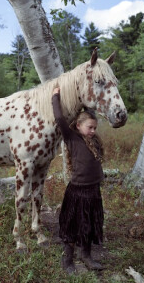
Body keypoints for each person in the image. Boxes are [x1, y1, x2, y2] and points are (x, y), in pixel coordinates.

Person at [52, 86, 104, 275]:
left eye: (94, 128)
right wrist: (55, 96)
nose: (92, 131)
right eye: (89, 127)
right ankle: (67, 257)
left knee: (89, 223)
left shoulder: (95, 141)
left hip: (93, 190)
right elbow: (59, 118)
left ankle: (86, 255)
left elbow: (96, 163)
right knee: (73, 224)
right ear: (78, 126)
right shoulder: (71, 138)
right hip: (77, 191)